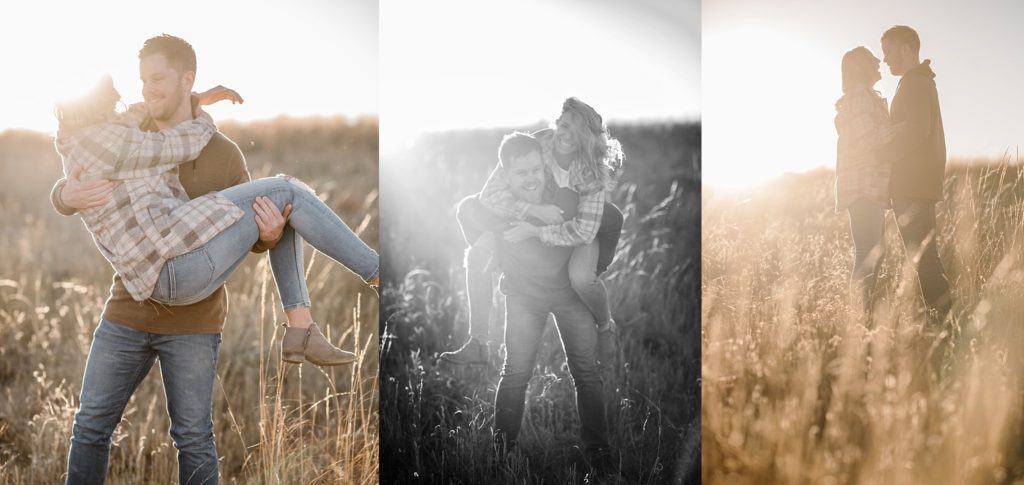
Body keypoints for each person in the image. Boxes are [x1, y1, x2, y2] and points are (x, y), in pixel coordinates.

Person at [54, 35, 375, 485]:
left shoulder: (223, 154)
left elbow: (251, 236)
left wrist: (269, 235)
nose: (146, 90)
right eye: (143, 80)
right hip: (128, 312)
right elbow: (91, 156)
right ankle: (321, 313)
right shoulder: (131, 132)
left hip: (194, 317)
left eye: (158, 79)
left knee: (194, 438)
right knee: (90, 427)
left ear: (186, 80)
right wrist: (63, 195)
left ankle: (305, 325)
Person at [441, 98, 624, 367]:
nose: (566, 135)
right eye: (564, 126)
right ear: (556, 123)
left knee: (582, 277)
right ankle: (478, 342)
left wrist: (538, 232)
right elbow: (490, 194)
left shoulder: (590, 168)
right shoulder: (537, 144)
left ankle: (606, 326)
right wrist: (535, 211)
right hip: (535, 212)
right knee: (471, 219)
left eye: (576, 131)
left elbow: (585, 231)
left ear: (587, 138)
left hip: (576, 226)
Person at [481, 133, 613, 473]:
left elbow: (597, 224)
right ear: (505, 175)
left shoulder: (566, 198)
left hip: (570, 296)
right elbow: (473, 215)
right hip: (524, 297)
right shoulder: (499, 206)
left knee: (587, 372)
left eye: (536, 170)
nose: (531, 178)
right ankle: (501, 452)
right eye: (521, 172)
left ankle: (598, 452)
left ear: (545, 167)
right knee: (515, 372)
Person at [878, 26, 952, 327]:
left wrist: (883, 152)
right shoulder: (917, 82)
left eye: (888, 50)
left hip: (912, 185)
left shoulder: (915, 83)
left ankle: (944, 324)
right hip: (916, 184)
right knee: (923, 257)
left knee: (923, 258)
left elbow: (916, 130)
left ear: (907, 49)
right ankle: (942, 322)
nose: (885, 59)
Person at [834, 46, 900, 314]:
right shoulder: (860, 95)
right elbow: (867, 139)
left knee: (875, 251)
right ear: (861, 67)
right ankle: (860, 316)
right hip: (863, 184)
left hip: (868, 185)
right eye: (872, 59)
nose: (878, 62)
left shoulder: (863, 96)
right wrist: (901, 129)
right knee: (867, 252)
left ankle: (864, 313)